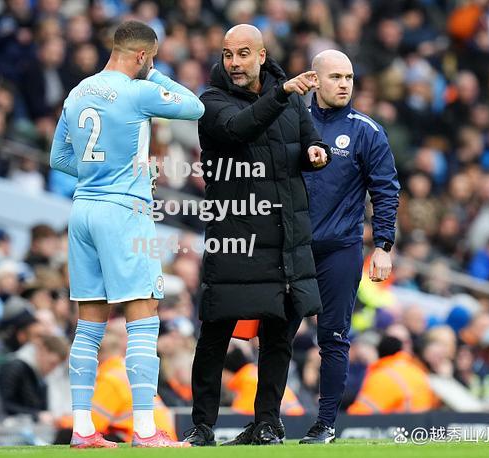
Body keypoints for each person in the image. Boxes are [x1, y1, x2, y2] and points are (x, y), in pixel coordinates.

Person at [49, 20, 204, 449]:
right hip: (123, 210)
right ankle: (145, 431)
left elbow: (58, 157)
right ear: (141, 55)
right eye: (148, 58)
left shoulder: (77, 91)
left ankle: (82, 430)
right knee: (143, 316)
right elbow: (194, 107)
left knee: (89, 325)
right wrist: (153, 73)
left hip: (82, 211)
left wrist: (97, 172)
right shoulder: (138, 91)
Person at [184, 24, 330, 447]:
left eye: (243, 54)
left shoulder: (290, 99)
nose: (234, 63)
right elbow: (238, 129)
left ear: (262, 56)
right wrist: (282, 94)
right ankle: (202, 427)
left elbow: (307, 140)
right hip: (236, 235)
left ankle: (267, 422)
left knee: (279, 336)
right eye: (228, 55)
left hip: (285, 237)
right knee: (215, 333)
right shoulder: (210, 101)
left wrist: (314, 153)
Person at [300, 50, 400, 444]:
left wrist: (384, 244)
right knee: (277, 334)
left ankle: (325, 424)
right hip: (292, 248)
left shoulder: (366, 131)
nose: (344, 84)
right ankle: (267, 422)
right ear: (315, 80)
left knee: (334, 337)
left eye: (349, 77)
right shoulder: (294, 123)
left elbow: (386, 190)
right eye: (336, 77)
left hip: (340, 249)